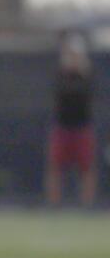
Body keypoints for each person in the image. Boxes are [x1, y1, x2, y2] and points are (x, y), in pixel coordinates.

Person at [46, 31, 95, 208]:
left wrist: (82, 72)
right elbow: (59, 92)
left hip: (82, 127)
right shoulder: (60, 74)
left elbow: (88, 94)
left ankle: (87, 205)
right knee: (55, 167)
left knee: (86, 168)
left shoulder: (87, 75)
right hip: (62, 127)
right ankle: (53, 205)